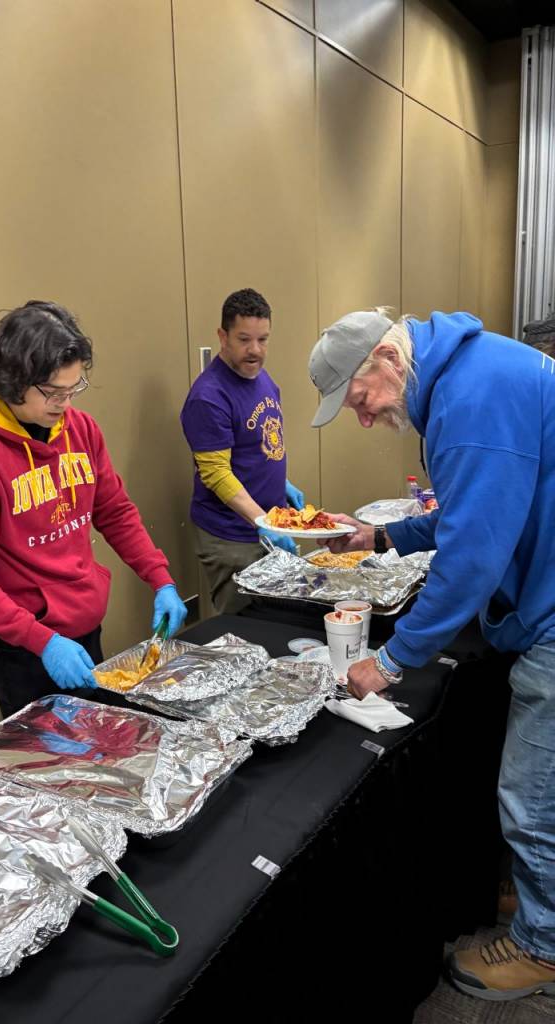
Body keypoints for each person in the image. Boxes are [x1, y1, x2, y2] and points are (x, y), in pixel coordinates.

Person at [307, 308, 555, 1002]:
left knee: (532, 795)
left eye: (360, 401)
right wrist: (384, 540)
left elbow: (473, 556)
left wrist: (390, 661)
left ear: (387, 357)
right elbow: (476, 510)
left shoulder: (471, 399)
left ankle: (545, 949)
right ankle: (536, 900)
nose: (363, 418)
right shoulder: (470, 374)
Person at [0, 300, 187, 718]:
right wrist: (42, 641)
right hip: (23, 647)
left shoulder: (81, 431)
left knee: (95, 745)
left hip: (83, 629)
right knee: (48, 769)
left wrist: (160, 579)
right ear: (12, 382)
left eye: (74, 388)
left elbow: (115, 511)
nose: (65, 403)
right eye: (53, 392)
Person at [180, 288, 306, 613]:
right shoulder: (209, 397)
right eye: (244, 339)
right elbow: (216, 473)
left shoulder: (262, 378)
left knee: (284, 617)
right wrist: (262, 520)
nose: (255, 351)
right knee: (246, 627)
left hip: (268, 525)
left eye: (263, 340)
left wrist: (282, 483)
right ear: (222, 336)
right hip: (232, 537)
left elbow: (261, 443)